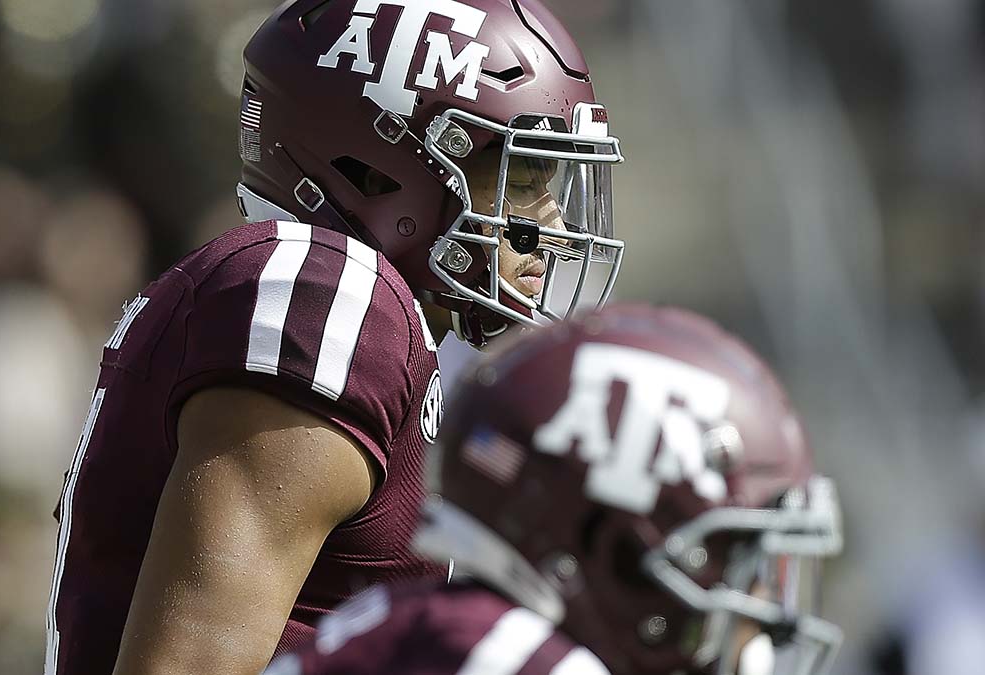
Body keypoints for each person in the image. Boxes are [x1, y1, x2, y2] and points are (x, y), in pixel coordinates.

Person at [42, 0, 625, 673]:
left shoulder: (377, 321)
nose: (549, 223)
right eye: (522, 177)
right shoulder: (325, 290)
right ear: (380, 168)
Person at [264, 304, 845, 675]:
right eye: (736, 559)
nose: (764, 606)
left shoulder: (436, 625)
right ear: (622, 553)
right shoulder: (507, 661)